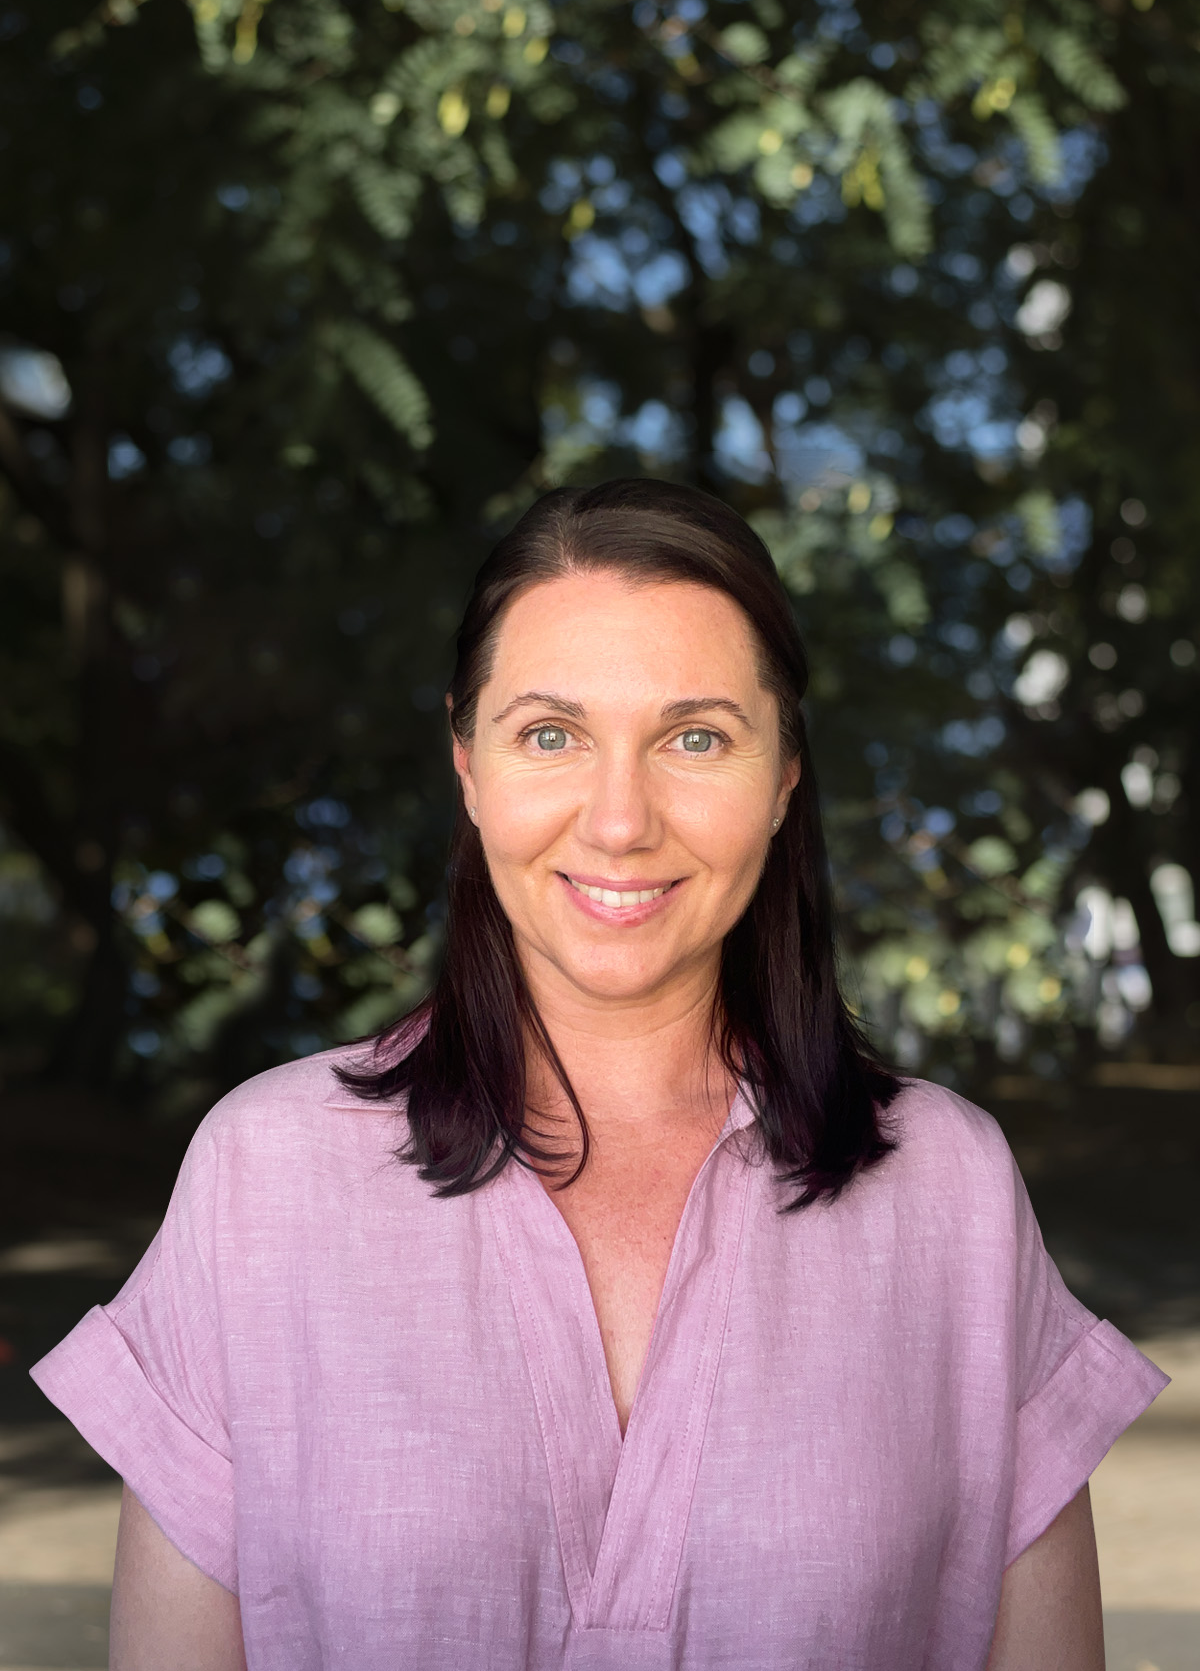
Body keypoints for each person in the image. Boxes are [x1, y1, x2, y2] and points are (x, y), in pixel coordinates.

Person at [33, 479, 1165, 1671]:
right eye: (551, 733)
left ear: (783, 776)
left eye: (695, 736)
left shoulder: (954, 1193)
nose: (619, 819)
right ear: (467, 765)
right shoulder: (259, 1177)